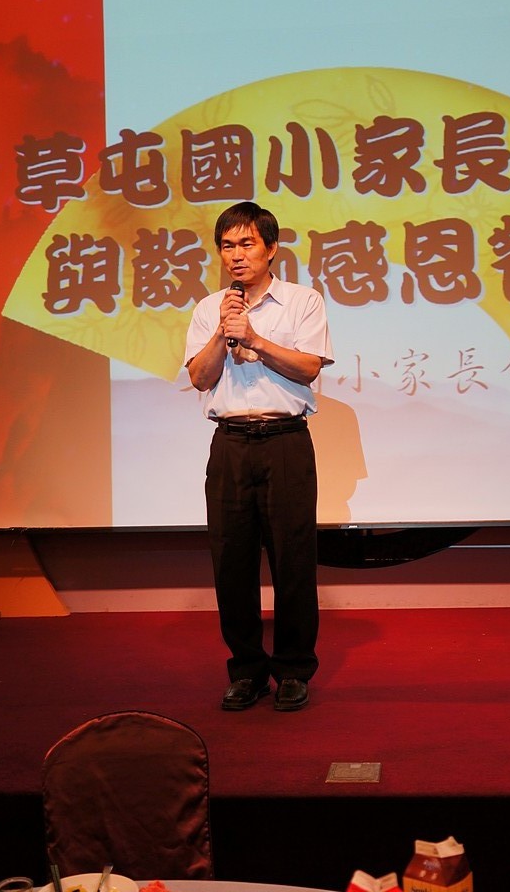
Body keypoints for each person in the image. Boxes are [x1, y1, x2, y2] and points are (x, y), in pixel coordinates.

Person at [185, 201, 334, 712]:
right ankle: (247, 670)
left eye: (246, 243)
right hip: (229, 444)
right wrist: (222, 332)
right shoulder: (210, 308)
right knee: (232, 562)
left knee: (293, 560)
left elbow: (308, 367)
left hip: (285, 442)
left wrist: (254, 338)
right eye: (227, 246)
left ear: (271, 248)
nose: (236, 255)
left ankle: (293, 670)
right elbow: (200, 377)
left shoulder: (302, 301)